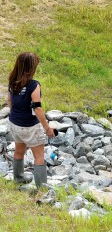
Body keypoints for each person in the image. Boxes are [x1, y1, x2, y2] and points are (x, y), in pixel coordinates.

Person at [7, 52, 56, 188]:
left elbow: (9, 101)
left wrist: (16, 115)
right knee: (39, 156)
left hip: (14, 123)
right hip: (30, 126)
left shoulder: (12, 80)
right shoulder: (34, 85)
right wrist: (47, 129)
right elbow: (38, 109)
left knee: (19, 150)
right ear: (31, 68)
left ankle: (19, 178)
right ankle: (42, 187)